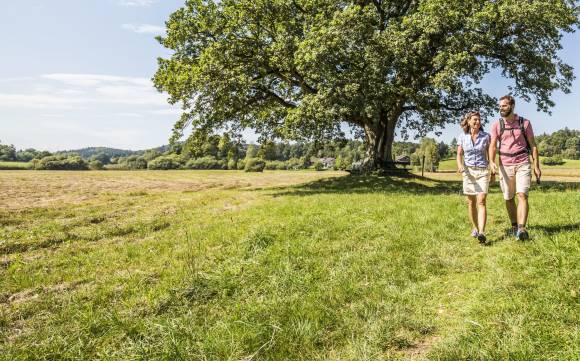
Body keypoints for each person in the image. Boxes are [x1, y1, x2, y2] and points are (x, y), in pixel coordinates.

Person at [489, 95, 541, 241]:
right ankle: (514, 226)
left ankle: (521, 228)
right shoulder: (497, 125)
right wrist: (491, 162)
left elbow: (533, 145)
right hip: (505, 165)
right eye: (500, 106)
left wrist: (536, 165)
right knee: (509, 197)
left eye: (504, 106)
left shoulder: (525, 123)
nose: (501, 108)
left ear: (512, 106)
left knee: (522, 195)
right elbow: (493, 145)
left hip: (523, 162)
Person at [457, 111, 491, 244]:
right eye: (474, 120)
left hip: (483, 171)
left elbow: (490, 155)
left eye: (479, 120)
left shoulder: (486, 136)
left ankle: (482, 232)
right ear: (469, 121)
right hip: (468, 172)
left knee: (481, 201)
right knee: (471, 203)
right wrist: (460, 165)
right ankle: (475, 228)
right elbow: (459, 154)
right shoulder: (462, 137)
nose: (477, 122)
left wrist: (492, 172)